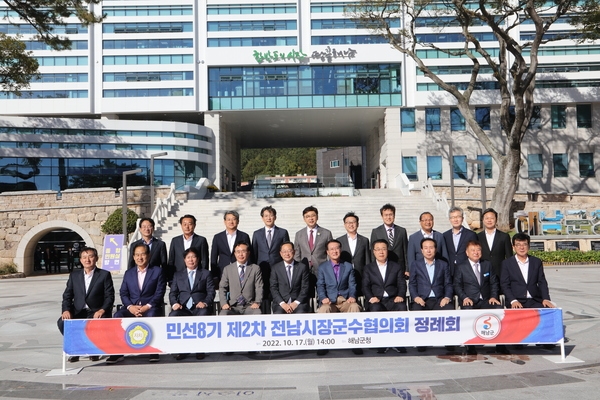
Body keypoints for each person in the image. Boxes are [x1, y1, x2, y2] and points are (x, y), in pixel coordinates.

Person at [106, 243, 166, 364]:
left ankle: (152, 351)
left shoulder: (157, 271)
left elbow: (159, 292)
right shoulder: (129, 273)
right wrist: (130, 307)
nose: (140, 257)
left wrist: (147, 306)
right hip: (131, 307)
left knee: (152, 315)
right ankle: (117, 353)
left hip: (150, 307)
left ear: (148, 255)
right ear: (133, 257)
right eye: (137, 255)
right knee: (117, 316)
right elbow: (123, 293)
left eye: (143, 254)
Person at [58, 247, 115, 362]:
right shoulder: (74, 276)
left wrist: (102, 310)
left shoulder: (104, 275)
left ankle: (92, 350)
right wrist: (66, 310)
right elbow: (67, 296)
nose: (87, 260)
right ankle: (76, 348)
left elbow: (110, 296)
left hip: (96, 311)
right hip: (78, 310)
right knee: (62, 322)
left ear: (96, 258)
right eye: (84, 257)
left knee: (98, 323)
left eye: (90, 256)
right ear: (80, 260)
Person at [453, 240, 504, 355]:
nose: (476, 252)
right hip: (469, 300)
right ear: (467, 252)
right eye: (472, 250)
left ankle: (501, 344)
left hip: (486, 300)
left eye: (478, 250)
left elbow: (494, 283)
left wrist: (493, 296)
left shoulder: (487, 264)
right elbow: (457, 285)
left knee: (499, 309)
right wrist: (464, 298)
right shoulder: (461, 267)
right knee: (468, 312)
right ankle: (470, 346)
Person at [316, 240, 362, 356]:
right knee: (323, 310)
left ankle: (355, 342)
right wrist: (323, 297)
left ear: (340, 250)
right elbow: (320, 285)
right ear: (327, 252)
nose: (334, 251)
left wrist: (352, 296)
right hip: (330, 300)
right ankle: (324, 343)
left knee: (355, 307)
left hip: (345, 300)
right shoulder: (322, 267)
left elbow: (353, 284)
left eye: (337, 248)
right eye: (331, 249)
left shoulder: (347, 266)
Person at [169, 247, 215, 361]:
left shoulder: (205, 273)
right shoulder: (178, 275)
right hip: (183, 307)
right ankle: (182, 350)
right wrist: (174, 303)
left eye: (193, 257)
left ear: (198, 259)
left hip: (199, 307)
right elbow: (172, 293)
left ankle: (200, 349)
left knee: (203, 314)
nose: (191, 260)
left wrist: (205, 302)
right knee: (173, 316)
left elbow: (211, 292)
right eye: (188, 257)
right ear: (184, 260)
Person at [363, 239, 408, 354]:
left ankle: (399, 342)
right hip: (376, 300)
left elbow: (401, 284)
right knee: (375, 309)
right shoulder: (368, 268)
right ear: (373, 252)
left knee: (401, 307)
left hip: (393, 298)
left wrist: (400, 295)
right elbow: (365, 286)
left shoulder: (396, 266)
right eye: (378, 249)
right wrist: (370, 297)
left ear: (387, 250)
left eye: (383, 249)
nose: (381, 252)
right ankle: (380, 343)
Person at [501, 233, 555, 310]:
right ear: (513, 247)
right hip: (516, 300)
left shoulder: (536, 262)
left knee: (548, 312)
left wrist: (546, 298)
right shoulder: (507, 263)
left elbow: (542, 282)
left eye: (524, 244)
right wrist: (513, 300)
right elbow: (505, 285)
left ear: (529, 246)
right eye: (518, 245)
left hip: (534, 300)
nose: (521, 247)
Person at [252, 206, 290, 302]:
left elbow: (287, 250)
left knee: (277, 291)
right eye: (266, 216)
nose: (269, 218)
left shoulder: (282, 232)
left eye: (271, 215)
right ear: (262, 218)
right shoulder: (257, 234)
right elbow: (254, 252)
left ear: (275, 217)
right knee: (263, 293)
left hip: (278, 267)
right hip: (262, 267)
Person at [219, 242, 263, 315]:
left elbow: (259, 287)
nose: (240, 254)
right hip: (233, 306)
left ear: (248, 253)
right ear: (235, 253)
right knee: (224, 314)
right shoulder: (228, 269)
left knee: (257, 313)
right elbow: (222, 287)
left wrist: (257, 302)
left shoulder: (255, 268)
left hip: (250, 305)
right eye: (238, 252)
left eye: (243, 251)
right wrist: (224, 303)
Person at [211, 210, 251, 284]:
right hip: (222, 272)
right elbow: (214, 258)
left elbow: (249, 255)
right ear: (224, 221)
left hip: (241, 272)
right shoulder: (218, 237)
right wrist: (215, 276)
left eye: (234, 219)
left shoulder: (244, 236)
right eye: (228, 219)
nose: (231, 222)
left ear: (238, 221)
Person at [167, 214, 209, 284]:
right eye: (184, 224)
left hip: (196, 276)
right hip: (179, 276)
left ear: (194, 225)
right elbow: (171, 260)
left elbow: (204, 260)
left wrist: (203, 276)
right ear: (181, 226)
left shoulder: (201, 240)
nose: (187, 226)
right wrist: (170, 278)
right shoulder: (175, 240)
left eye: (190, 224)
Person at [270, 242, 311, 314]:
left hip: (299, 303)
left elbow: (305, 288)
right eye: (284, 251)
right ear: (280, 253)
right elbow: (273, 288)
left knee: (301, 313)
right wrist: (283, 304)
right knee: (278, 314)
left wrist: (296, 303)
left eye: (289, 251)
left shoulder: (302, 267)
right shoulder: (275, 268)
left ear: (294, 252)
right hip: (281, 304)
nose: (287, 254)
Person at [337, 212, 371, 297]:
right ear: (344, 225)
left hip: (360, 274)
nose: (350, 224)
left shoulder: (364, 240)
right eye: (348, 222)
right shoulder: (339, 240)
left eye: (353, 222)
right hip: (345, 275)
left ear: (357, 224)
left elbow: (367, 259)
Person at [370, 203, 408, 277]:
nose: (388, 217)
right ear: (382, 216)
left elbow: (406, 251)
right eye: (386, 215)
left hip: (399, 267)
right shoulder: (376, 232)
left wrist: (407, 269)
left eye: (390, 214)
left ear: (394, 215)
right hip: (382, 267)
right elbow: (372, 252)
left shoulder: (402, 231)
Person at [293, 206, 333, 275]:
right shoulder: (299, 234)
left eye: (313, 216)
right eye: (307, 216)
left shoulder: (326, 233)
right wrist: (298, 268)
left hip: (322, 268)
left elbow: (330, 252)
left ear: (317, 217)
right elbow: (297, 254)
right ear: (304, 219)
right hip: (304, 269)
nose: (311, 218)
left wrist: (329, 267)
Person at [477, 208, 512, 280]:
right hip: (483, 273)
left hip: (500, 273)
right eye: (487, 218)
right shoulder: (478, 237)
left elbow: (509, 257)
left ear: (496, 220)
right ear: (483, 220)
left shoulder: (504, 236)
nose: (489, 220)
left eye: (492, 218)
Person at [443, 206, 478, 276]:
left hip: (466, 270)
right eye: (453, 217)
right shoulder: (445, 235)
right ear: (449, 219)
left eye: (458, 217)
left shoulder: (471, 235)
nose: (455, 219)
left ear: (462, 218)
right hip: (450, 270)